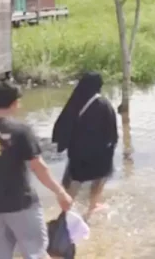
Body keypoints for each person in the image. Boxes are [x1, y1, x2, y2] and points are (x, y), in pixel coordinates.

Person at [0, 80, 73, 259]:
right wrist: (60, 192)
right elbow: (39, 168)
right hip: (20, 204)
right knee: (35, 254)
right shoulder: (21, 131)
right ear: (14, 103)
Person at [52, 72, 118, 221]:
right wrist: (111, 147)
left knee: (74, 181)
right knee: (99, 180)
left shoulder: (76, 101)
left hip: (77, 153)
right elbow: (111, 131)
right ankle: (91, 209)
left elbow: (63, 125)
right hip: (99, 154)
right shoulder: (104, 104)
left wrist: (64, 145)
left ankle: (64, 213)